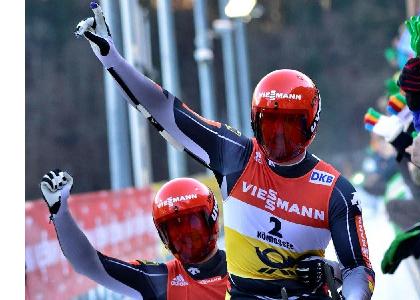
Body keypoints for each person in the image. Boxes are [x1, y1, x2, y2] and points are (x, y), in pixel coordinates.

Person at [75, 3, 375, 299]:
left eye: (291, 127)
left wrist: (331, 270)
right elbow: (165, 109)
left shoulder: (336, 192)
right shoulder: (237, 155)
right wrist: (111, 58)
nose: (279, 139)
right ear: (255, 123)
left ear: (311, 125)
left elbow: (359, 271)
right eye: (270, 127)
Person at [40, 169, 228, 299]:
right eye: (174, 230)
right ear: (164, 237)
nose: (185, 236)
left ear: (212, 219)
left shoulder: (247, 267)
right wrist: (60, 213)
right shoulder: (161, 280)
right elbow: (89, 264)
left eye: (191, 225)